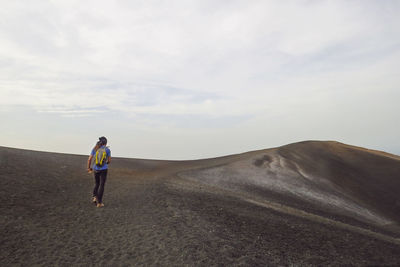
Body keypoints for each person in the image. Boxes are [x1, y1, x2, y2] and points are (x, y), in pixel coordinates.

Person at [87, 136, 111, 208]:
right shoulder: (107, 150)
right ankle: (99, 203)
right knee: (102, 185)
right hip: (103, 169)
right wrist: (106, 162)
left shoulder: (95, 149)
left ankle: (94, 197)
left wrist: (89, 168)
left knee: (97, 183)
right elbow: (109, 161)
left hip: (95, 169)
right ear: (105, 143)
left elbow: (89, 159)